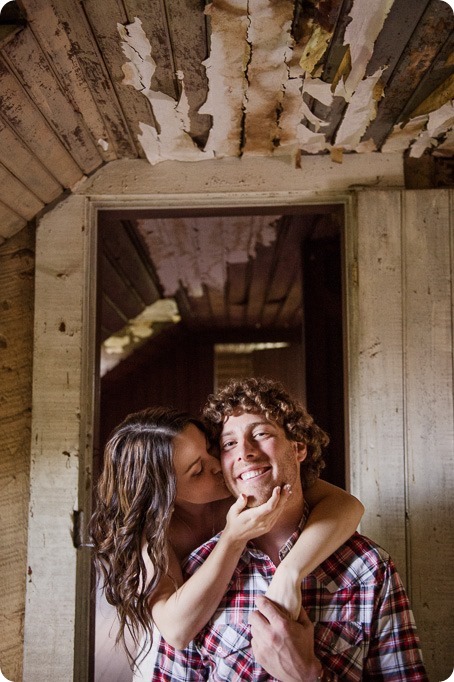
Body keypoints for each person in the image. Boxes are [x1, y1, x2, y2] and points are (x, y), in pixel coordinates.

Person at [146, 377, 428, 681]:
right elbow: (174, 647)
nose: (245, 451)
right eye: (228, 444)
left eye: (262, 433)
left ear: (298, 447)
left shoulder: (369, 568)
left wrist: (308, 676)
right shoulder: (197, 569)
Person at [90, 404, 364, 666]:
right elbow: (176, 630)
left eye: (212, 448)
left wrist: (290, 572)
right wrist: (233, 538)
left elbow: (347, 506)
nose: (219, 466)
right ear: (166, 494)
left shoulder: (242, 485)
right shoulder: (154, 535)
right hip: (173, 657)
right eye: (198, 471)